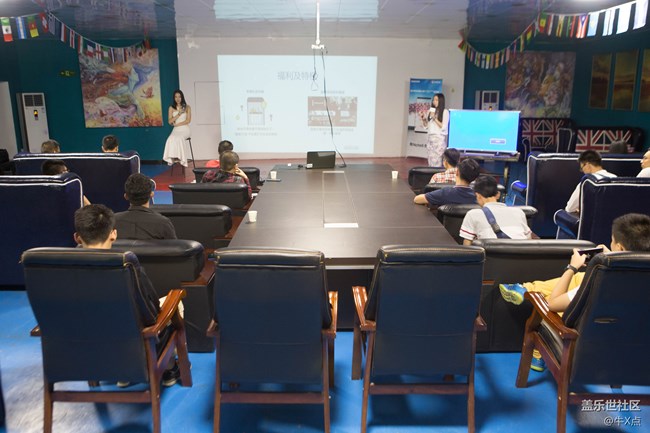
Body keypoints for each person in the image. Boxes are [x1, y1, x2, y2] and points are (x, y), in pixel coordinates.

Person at [499, 213, 650, 371]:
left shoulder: (599, 282)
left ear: (620, 248)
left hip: (583, 344)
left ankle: (529, 296)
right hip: (631, 349)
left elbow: (553, 304)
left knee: (554, 296)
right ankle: (527, 288)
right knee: (580, 278)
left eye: (612, 241)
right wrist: (611, 257)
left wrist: (572, 267)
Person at [73, 204, 181, 386]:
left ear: (77, 237)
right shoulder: (127, 265)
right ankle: (169, 370)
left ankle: (123, 373)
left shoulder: (59, 267)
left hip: (85, 341)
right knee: (175, 302)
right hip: (134, 343)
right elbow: (151, 311)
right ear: (113, 234)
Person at [460, 175, 532, 245]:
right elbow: (529, 241)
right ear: (498, 194)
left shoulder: (472, 214)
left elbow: (467, 245)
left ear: (478, 195)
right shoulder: (519, 212)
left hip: (490, 253)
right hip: (521, 253)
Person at [114, 173, 177, 240]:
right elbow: (174, 245)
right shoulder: (163, 223)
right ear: (151, 194)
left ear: (126, 196)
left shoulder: (113, 222)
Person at [413, 158, 480, 207]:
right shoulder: (479, 197)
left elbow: (417, 199)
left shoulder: (446, 193)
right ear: (475, 177)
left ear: (457, 172)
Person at [419, 93, 450, 167]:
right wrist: (423, 118)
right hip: (430, 139)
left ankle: (437, 173)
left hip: (439, 140)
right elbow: (426, 126)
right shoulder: (431, 111)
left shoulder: (445, 112)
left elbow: (443, 126)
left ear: (441, 101)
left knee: (437, 162)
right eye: (433, 100)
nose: (434, 102)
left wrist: (434, 118)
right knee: (430, 161)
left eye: (436, 100)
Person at [163, 89, 192, 167]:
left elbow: (188, 120)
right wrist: (179, 114)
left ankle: (181, 158)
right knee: (170, 138)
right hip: (176, 129)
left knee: (179, 138)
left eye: (179, 97)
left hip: (185, 129)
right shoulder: (171, 108)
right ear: (174, 98)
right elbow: (170, 121)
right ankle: (173, 158)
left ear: (182, 97)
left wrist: (178, 124)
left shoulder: (187, 107)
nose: (178, 99)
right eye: (176, 97)